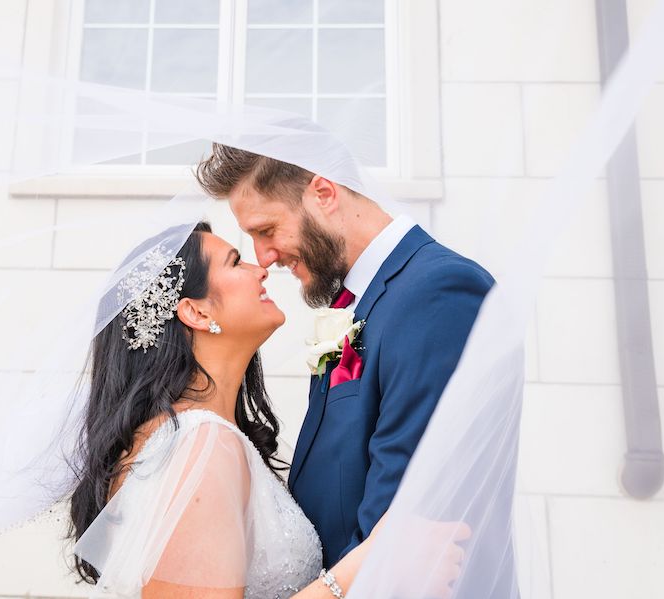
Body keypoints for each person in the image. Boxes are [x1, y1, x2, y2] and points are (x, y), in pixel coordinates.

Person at [68, 222, 468, 598]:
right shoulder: (199, 445)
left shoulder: (190, 438)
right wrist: (362, 569)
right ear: (197, 312)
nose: (260, 269)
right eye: (235, 262)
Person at [195, 145, 494, 569]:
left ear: (323, 194)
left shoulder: (436, 292)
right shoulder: (357, 303)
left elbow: (404, 524)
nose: (263, 258)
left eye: (267, 230)